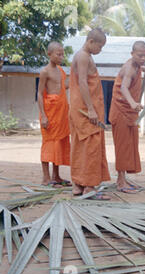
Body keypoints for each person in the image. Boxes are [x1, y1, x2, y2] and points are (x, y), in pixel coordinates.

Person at [69, 28, 111, 200]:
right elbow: (83, 83)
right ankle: (89, 188)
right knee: (91, 147)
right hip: (86, 110)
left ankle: (78, 185)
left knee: (80, 146)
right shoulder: (84, 56)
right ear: (91, 41)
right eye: (100, 46)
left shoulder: (82, 56)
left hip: (80, 108)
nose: (100, 50)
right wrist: (91, 109)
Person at [109, 41, 145, 193]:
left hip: (130, 114)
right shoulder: (130, 68)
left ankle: (124, 179)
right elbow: (124, 87)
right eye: (140, 55)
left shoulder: (137, 67)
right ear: (132, 54)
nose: (143, 58)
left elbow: (136, 71)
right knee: (122, 147)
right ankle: (120, 182)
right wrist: (132, 103)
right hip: (121, 111)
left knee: (130, 146)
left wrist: (142, 67)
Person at [37, 42, 71, 187]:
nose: (61, 57)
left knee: (59, 144)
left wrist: (77, 76)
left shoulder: (61, 71)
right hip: (50, 113)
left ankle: (56, 176)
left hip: (61, 113)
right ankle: (46, 178)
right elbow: (39, 93)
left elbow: (63, 87)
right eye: (58, 54)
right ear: (49, 54)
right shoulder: (45, 71)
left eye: (63, 54)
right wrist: (43, 115)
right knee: (49, 144)